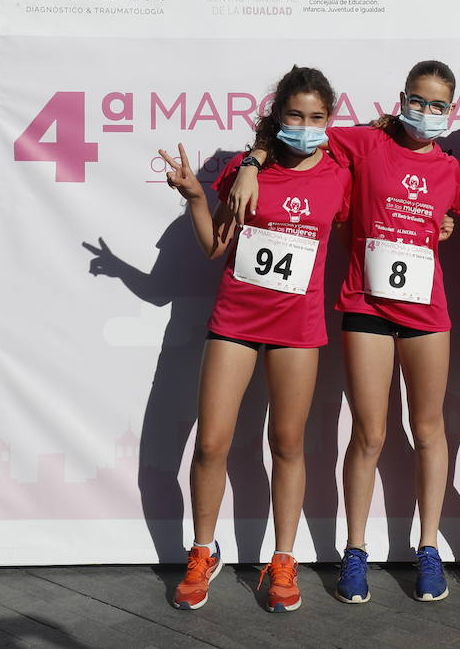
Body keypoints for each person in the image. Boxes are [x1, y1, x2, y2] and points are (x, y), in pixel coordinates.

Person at [227, 60, 460, 603]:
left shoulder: (454, 173)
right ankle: (354, 551)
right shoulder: (362, 145)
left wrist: (446, 223)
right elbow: (294, 134)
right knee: (370, 433)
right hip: (366, 306)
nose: (427, 113)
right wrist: (250, 163)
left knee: (429, 430)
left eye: (438, 106)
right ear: (402, 98)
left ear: (450, 111)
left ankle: (427, 548)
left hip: (427, 312)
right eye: (419, 100)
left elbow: (453, 214)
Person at [160, 66, 351, 614]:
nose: (306, 126)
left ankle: (283, 557)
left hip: (299, 328)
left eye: (317, 118)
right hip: (236, 322)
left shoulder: (341, 172)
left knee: (288, 445)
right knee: (212, 442)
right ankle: (203, 550)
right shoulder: (247, 172)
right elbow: (214, 248)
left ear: (329, 120)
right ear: (277, 116)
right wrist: (198, 195)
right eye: (295, 115)